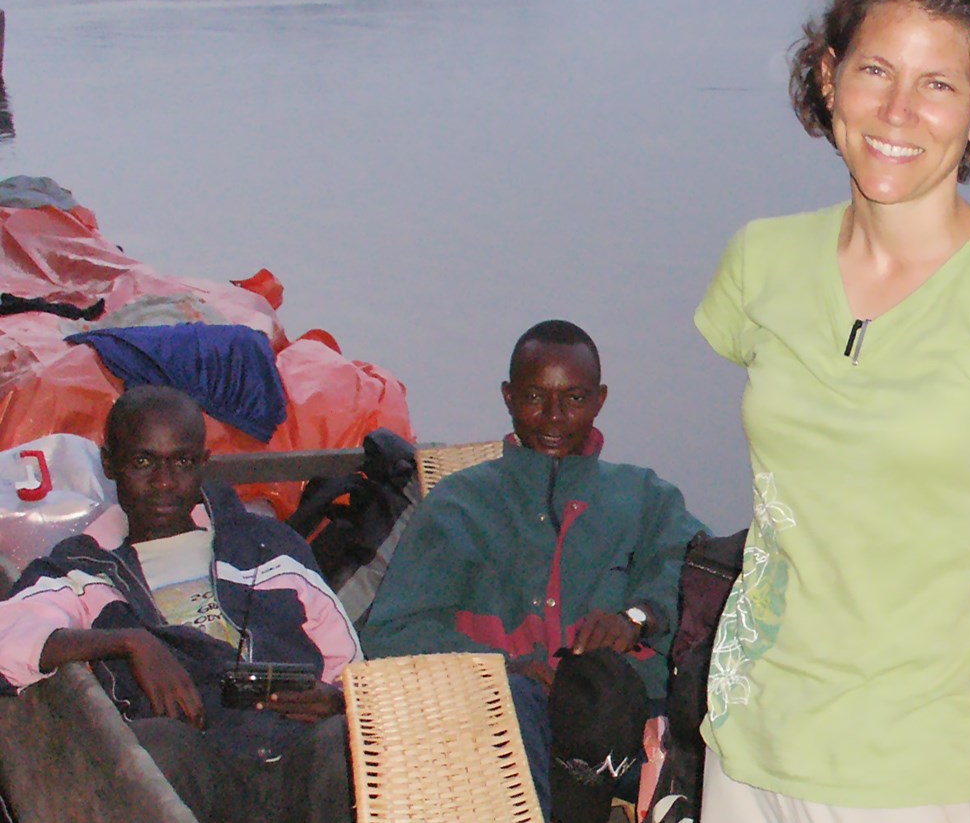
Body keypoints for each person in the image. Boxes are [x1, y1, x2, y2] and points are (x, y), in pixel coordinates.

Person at [694, 0, 970, 823]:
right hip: (745, 744)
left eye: (938, 83)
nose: (896, 110)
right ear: (826, 76)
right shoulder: (760, 262)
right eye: (874, 69)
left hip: (925, 774)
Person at [361, 319, 705, 822]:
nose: (554, 418)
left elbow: (698, 580)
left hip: (624, 735)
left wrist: (634, 617)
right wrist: (501, 667)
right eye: (533, 398)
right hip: (497, 729)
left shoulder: (646, 498)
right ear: (507, 396)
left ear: (600, 399)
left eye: (575, 399)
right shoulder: (460, 505)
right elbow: (391, 632)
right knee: (521, 716)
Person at [0, 385, 362, 823]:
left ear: (204, 465)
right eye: (142, 462)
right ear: (110, 464)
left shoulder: (272, 548)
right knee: (150, 752)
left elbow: (356, 673)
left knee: (351, 742)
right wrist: (128, 642)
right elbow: (10, 640)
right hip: (199, 763)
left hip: (297, 754)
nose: (165, 482)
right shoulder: (82, 568)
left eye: (183, 462)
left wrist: (338, 702)